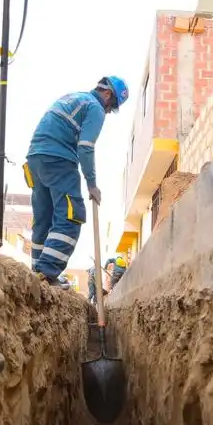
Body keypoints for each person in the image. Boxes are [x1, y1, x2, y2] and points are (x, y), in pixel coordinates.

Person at [23, 76, 130, 289]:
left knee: (43, 218)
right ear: (107, 94)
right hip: (59, 160)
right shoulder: (95, 107)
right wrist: (92, 184)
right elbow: (86, 146)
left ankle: (38, 272)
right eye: (112, 106)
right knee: (71, 217)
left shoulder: (75, 97)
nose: (109, 111)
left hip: (35, 159)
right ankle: (47, 272)